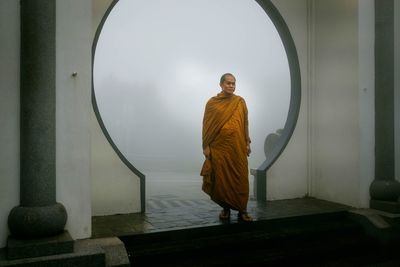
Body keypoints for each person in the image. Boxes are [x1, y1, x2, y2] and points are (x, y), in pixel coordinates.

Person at [201, 73, 253, 222]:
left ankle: (242, 209)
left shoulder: (240, 102)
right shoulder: (212, 103)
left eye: (233, 83)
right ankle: (226, 208)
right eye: (228, 83)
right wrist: (205, 146)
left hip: (237, 147)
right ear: (221, 85)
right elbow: (207, 125)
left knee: (241, 177)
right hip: (220, 148)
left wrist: (247, 142)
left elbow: (245, 123)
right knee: (222, 179)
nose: (231, 86)